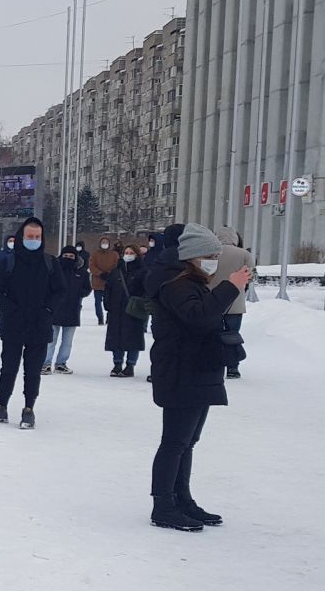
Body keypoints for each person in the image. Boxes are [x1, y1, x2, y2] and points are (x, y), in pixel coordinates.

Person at [147, 224, 251, 532]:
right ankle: (163, 504)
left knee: (188, 441)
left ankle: (182, 499)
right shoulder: (175, 284)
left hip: (196, 369)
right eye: (209, 255)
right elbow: (198, 316)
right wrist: (230, 286)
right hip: (181, 370)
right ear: (192, 256)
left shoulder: (191, 281)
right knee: (175, 441)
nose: (214, 261)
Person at [0, 217, 62, 429]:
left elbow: (60, 291)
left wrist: (48, 310)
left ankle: (29, 409)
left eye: (37, 237)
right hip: (13, 325)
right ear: (22, 236)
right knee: (8, 367)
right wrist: (10, 309)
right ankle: (1, 406)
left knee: (33, 370)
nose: (34, 240)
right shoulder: (7, 262)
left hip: (39, 326)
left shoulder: (50, 262)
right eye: (30, 237)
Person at [210, 226, 253, 380]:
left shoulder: (211, 252)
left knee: (212, 333)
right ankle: (233, 367)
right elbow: (250, 275)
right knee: (232, 334)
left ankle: (214, 362)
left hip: (213, 299)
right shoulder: (244, 254)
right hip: (235, 301)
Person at [104, 244, 149, 377]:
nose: (128, 255)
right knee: (116, 337)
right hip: (116, 309)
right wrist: (108, 304)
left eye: (131, 253)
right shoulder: (116, 271)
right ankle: (117, 364)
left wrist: (142, 304)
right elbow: (108, 288)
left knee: (133, 338)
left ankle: (130, 365)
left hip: (133, 310)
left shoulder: (143, 271)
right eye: (126, 253)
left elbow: (147, 290)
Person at [44, 246, 90, 375]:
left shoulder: (81, 273)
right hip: (55, 309)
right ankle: (46, 363)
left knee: (67, 341)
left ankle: (61, 363)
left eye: (71, 256)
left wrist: (78, 293)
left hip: (72, 309)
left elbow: (87, 288)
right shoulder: (54, 270)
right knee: (50, 339)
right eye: (66, 256)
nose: (68, 259)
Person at [88, 235, 119, 325]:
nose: (104, 244)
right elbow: (91, 266)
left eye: (106, 243)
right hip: (98, 282)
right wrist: (100, 273)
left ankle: (109, 318)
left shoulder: (114, 254)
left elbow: (116, 266)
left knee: (111, 302)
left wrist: (110, 274)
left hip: (110, 282)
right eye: (103, 243)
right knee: (98, 302)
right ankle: (100, 318)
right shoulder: (95, 254)